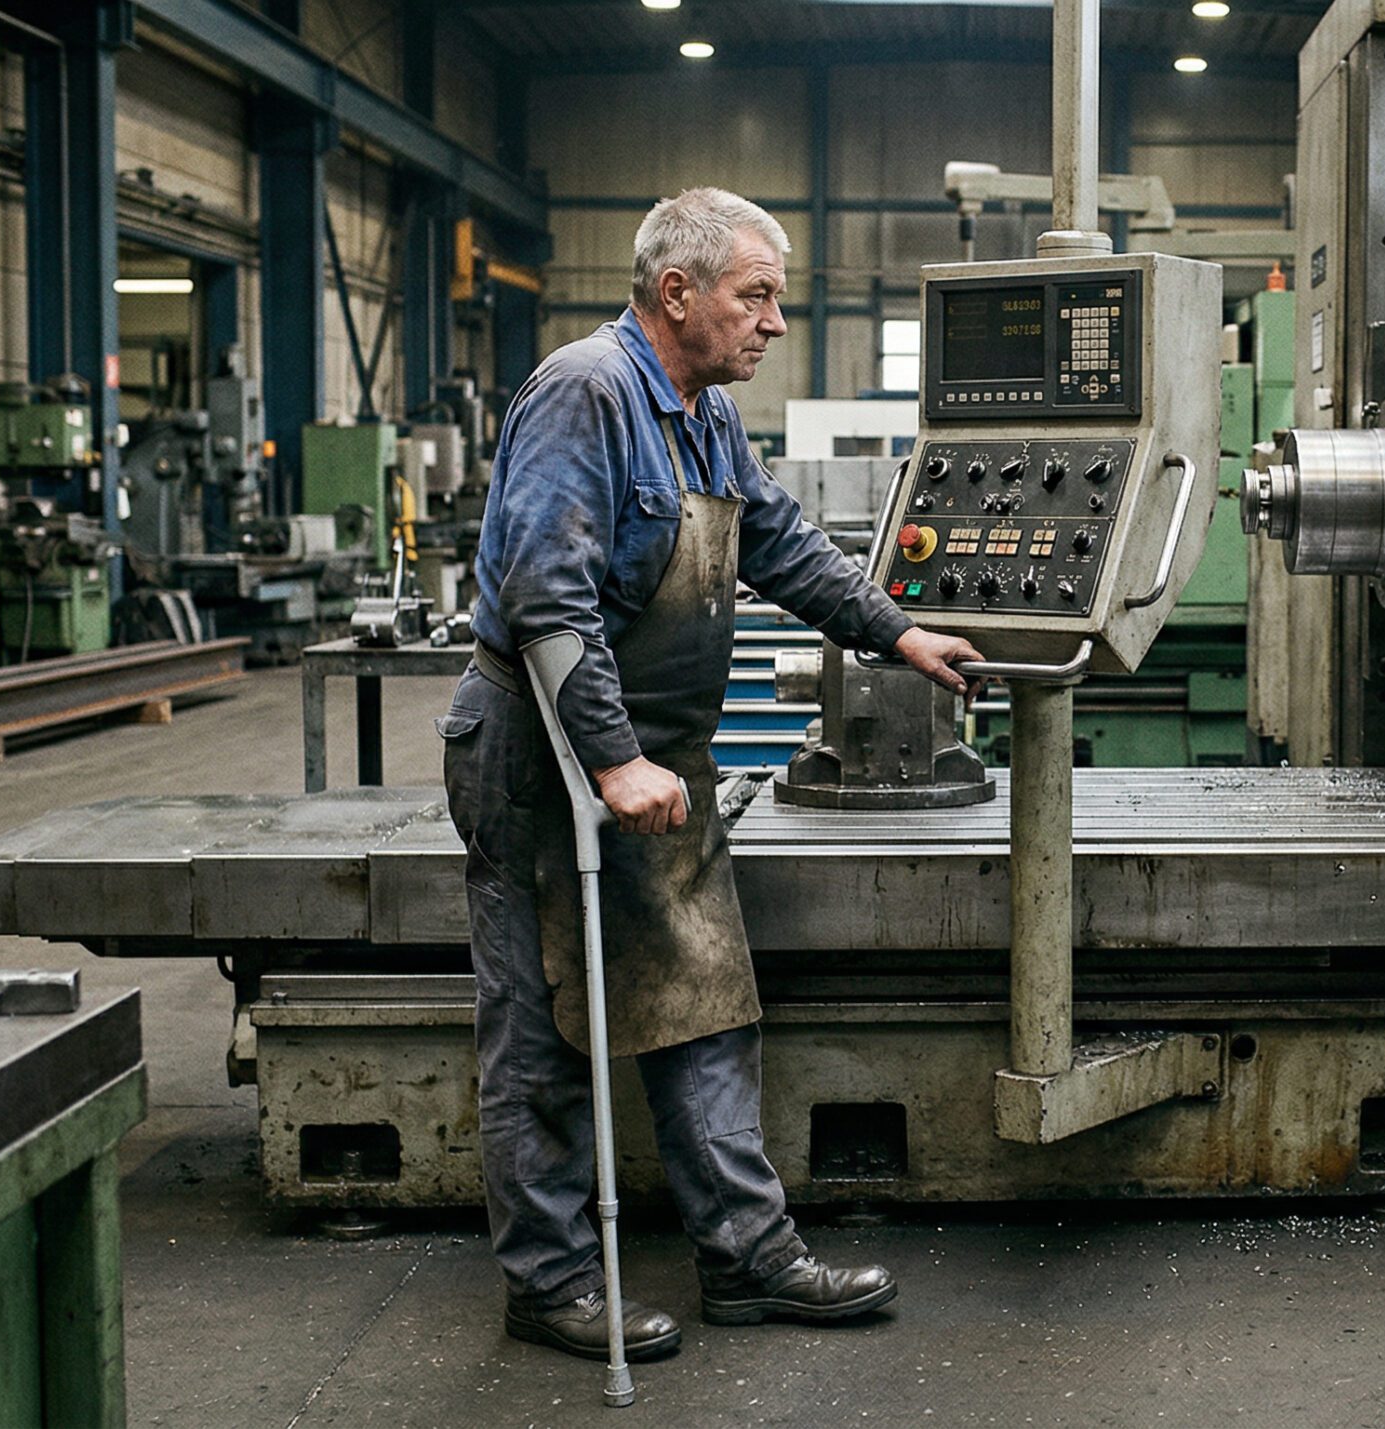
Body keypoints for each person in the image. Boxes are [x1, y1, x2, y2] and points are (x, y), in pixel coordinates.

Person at [436, 186, 981, 1363]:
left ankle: (746, 1254)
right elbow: (547, 601)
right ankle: (550, 1280)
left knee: (702, 1001)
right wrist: (613, 759)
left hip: (655, 762)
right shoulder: (585, 392)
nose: (774, 322)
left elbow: (777, 541)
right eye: (757, 295)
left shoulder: (701, 413)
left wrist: (898, 634)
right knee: (542, 1028)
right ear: (674, 291)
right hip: (546, 754)